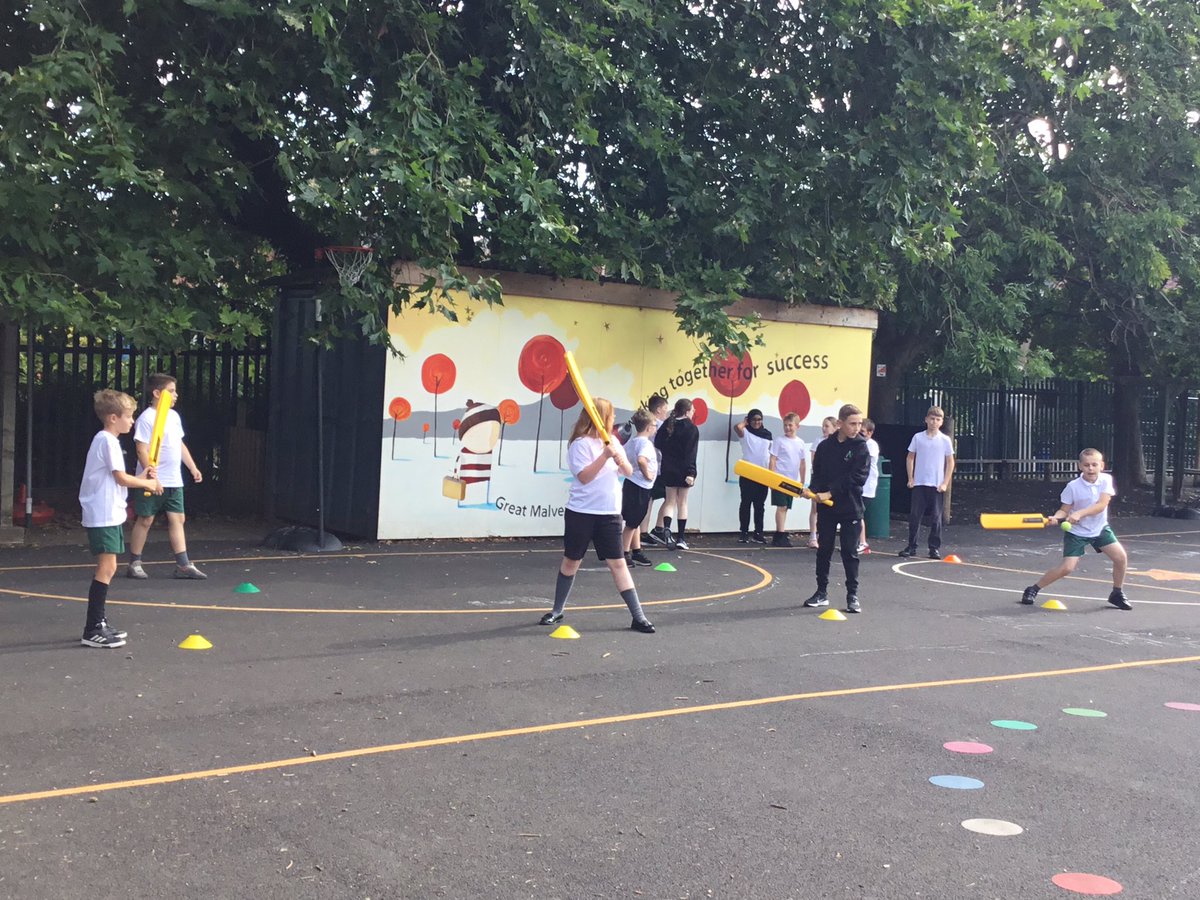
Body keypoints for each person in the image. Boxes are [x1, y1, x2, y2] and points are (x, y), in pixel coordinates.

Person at [539, 398, 656, 633]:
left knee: (618, 563)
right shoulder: (579, 444)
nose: (614, 418)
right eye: (610, 415)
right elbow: (584, 477)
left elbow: (628, 471)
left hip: (609, 513)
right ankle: (557, 610)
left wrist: (619, 459)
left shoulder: (612, 440)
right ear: (600, 417)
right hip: (581, 512)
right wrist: (604, 456)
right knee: (571, 561)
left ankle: (639, 617)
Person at [79, 390, 162, 648]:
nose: (132, 421)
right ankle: (93, 628)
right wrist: (148, 483)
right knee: (106, 568)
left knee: (110, 567)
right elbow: (121, 478)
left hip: (109, 511)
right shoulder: (107, 441)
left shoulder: (108, 441)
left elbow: (120, 478)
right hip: (102, 512)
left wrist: (144, 476)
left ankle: (99, 622)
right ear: (113, 418)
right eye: (129, 416)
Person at [1020, 449, 1132, 610]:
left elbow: (1101, 505)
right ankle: (1033, 589)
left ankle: (1117, 593)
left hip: (1100, 529)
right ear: (1080, 466)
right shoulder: (1072, 487)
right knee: (1067, 568)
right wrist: (1055, 518)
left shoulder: (1106, 480)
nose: (1091, 468)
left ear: (1101, 465)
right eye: (1086, 465)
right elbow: (1064, 510)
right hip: (1077, 532)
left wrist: (1080, 513)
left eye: (1094, 465)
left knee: (1120, 558)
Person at [126, 373, 207, 579]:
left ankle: (183, 564)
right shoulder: (146, 418)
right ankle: (135, 562)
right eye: (171, 391)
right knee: (146, 519)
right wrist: (152, 476)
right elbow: (142, 449)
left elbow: (179, 444)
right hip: (153, 479)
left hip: (173, 478)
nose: (175, 395)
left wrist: (192, 467)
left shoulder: (173, 417)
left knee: (178, 518)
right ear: (157, 393)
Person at [804, 404, 871, 613]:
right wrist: (812, 490)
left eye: (859, 423)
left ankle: (852, 596)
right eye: (852, 423)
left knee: (849, 552)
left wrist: (830, 492)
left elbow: (857, 477)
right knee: (824, 550)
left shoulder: (861, 447)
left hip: (850, 507)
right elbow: (818, 474)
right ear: (840, 423)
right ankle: (821, 592)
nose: (857, 428)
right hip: (827, 509)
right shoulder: (825, 447)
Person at [900, 406, 955, 559]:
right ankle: (912, 546)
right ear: (926, 419)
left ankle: (934, 548)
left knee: (936, 518)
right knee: (915, 516)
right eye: (932, 419)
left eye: (937, 419)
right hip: (919, 482)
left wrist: (945, 482)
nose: (934, 422)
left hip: (936, 484)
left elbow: (950, 462)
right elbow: (910, 457)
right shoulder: (918, 437)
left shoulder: (945, 440)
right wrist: (911, 478)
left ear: (941, 422)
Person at [651, 398, 699, 550]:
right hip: (684, 470)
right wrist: (691, 472)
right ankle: (681, 538)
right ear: (687, 411)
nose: (694, 412)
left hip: (668, 468)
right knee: (682, 502)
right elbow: (691, 453)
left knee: (670, 501)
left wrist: (668, 452)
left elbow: (657, 443)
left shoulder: (667, 424)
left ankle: (666, 529)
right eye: (692, 410)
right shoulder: (691, 428)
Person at [621, 408, 657, 567]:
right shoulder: (645, 444)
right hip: (640, 486)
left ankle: (636, 551)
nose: (655, 428)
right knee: (632, 523)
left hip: (632, 483)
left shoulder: (631, 442)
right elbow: (642, 460)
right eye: (654, 425)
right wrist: (647, 474)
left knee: (634, 520)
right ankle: (623, 553)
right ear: (648, 427)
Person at [768, 412, 807, 547]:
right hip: (779, 478)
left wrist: (802, 480)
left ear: (797, 426)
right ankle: (780, 534)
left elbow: (802, 463)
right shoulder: (779, 441)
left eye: (790, 425)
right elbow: (773, 459)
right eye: (785, 425)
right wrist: (771, 477)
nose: (787, 428)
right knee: (782, 505)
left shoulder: (800, 443)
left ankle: (780, 532)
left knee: (786, 507)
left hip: (792, 481)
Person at [733, 408, 772, 543]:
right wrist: (745, 422)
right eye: (753, 419)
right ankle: (744, 532)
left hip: (763, 473)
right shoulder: (745, 433)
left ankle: (758, 532)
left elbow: (771, 454)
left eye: (759, 419)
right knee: (746, 503)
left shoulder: (767, 434)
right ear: (748, 420)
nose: (757, 422)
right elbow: (737, 427)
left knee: (759, 505)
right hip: (748, 473)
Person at [806, 417, 837, 548]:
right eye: (823, 426)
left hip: (831, 479)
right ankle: (813, 536)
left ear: (835, 427)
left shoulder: (837, 442)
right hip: (818, 477)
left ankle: (823, 535)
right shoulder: (818, 441)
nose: (824, 428)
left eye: (827, 426)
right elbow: (814, 460)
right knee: (815, 507)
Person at [858, 418, 880, 554]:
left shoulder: (871, 445)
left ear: (870, 433)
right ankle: (857, 541)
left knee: (858, 513)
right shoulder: (859, 443)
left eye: (863, 432)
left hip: (867, 485)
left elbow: (862, 460)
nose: (860, 434)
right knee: (855, 513)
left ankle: (863, 542)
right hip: (859, 484)